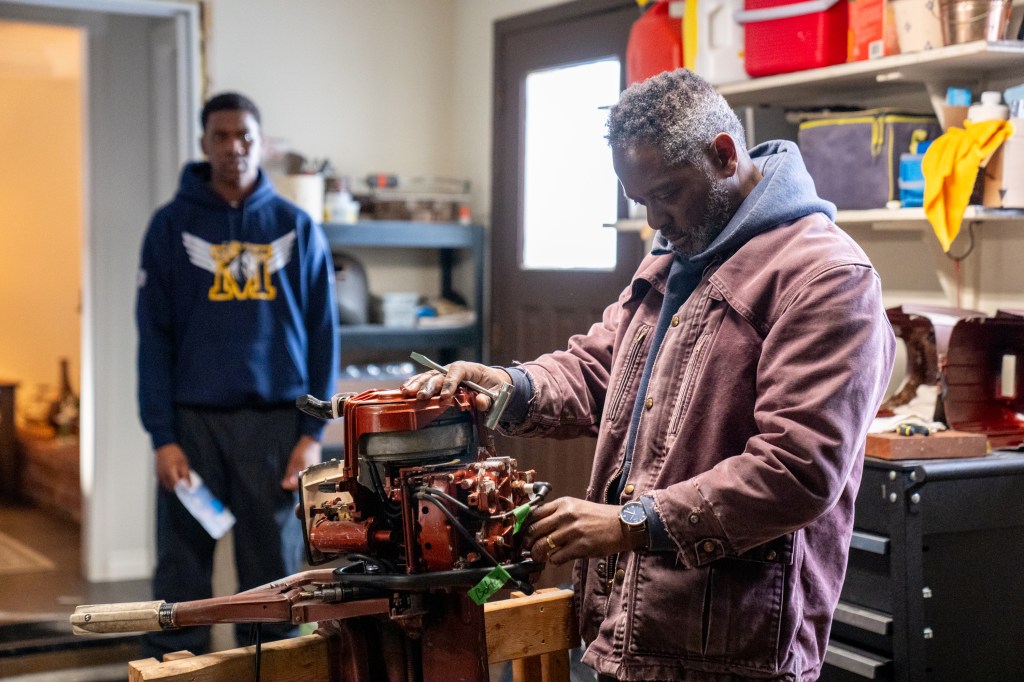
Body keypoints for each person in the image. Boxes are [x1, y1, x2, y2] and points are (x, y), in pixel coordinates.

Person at [402, 69, 895, 681]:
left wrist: (631, 522)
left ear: (722, 153)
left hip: (732, 647)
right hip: (631, 624)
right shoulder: (675, 255)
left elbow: (797, 469)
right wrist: (508, 387)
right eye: (641, 203)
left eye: (667, 194)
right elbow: (600, 372)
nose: (656, 221)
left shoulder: (825, 278)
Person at [135, 92, 339, 657]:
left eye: (244, 136)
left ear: (261, 142)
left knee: (273, 575)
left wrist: (310, 434)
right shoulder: (170, 228)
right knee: (182, 571)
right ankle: (176, 669)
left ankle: (276, 670)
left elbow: (325, 334)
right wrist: (163, 437)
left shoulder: (296, 227)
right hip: (192, 424)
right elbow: (153, 340)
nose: (233, 147)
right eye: (221, 137)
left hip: (275, 426)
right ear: (204, 144)